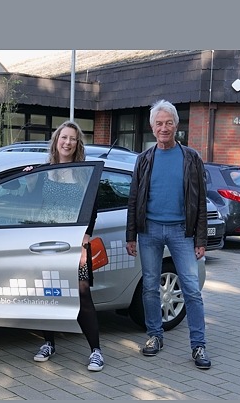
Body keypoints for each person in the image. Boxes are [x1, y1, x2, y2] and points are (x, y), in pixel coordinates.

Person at [125, 99, 211, 369]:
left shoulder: (191, 158)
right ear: (152, 128)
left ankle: (198, 346)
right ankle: (154, 336)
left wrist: (200, 239)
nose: (164, 128)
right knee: (150, 286)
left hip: (182, 232)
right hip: (149, 230)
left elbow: (200, 201)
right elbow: (133, 198)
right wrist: (131, 236)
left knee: (192, 290)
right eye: (159, 123)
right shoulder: (144, 159)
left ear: (176, 125)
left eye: (168, 123)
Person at [26, 121, 104, 372]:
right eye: (64, 138)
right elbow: (30, 204)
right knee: (47, 293)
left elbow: (93, 209)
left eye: (73, 139)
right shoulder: (42, 172)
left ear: (77, 143)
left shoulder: (84, 173)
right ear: (56, 141)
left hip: (75, 242)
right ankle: (48, 342)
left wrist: (87, 236)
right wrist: (27, 180)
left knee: (82, 294)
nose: (68, 142)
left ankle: (96, 351)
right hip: (46, 242)